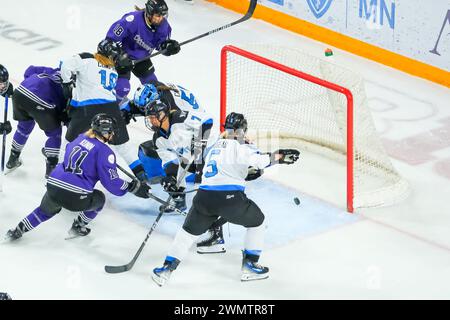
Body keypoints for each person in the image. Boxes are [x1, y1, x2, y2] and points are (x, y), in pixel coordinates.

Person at [151, 112, 300, 286]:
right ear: (242, 130)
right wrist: (280, 156)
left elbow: (226, 168)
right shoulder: (242, 145)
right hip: (229, 199)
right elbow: (260, 161)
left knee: (186, 234)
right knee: (257, 222)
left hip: (203, 198)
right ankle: (250, 266)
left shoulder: (214, 146)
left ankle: (166, 270)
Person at [4, 114, 151, 241]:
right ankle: (78, 226)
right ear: (105, 132)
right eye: (111, 131)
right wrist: (133, 187)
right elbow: (112, 184)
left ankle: (17, 231)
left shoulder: (78, 139)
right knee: (99, 199)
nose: (112, 134)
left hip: (54, 184)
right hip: (74, 195)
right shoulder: (105, 152)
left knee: (43, 211)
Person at [60, 39, 147, 181]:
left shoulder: (87, 58)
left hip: (86, 109)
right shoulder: (113, 71)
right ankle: (142, 175)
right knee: (124, 147)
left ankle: (58, 173)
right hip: (111, 108)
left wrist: (67, 83)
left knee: (69, 144)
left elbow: (66, 65)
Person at [121, 81, 212, 182]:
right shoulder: (157, 90)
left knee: (152, 149)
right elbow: (139, 102)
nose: (145, 111)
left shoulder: (173, 109)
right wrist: (126, 110)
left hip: (197, 131)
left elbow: (203, 124)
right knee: (156, 146)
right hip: (194, 124)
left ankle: (179, 173)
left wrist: (197, 156)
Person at [142, 100, 213, 212]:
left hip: (210, 150)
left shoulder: (180, 118)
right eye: (149, 118)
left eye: (153, 117)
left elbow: (207, 119)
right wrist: (171, 178)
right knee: (171, 181)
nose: (151, 121)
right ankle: (178, 201)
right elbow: (169, 161)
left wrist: (199, 143)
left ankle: (210, 210)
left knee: (202, 184)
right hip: (189, 157)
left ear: (162, 115)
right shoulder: (158, 139)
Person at [104, 0, 180, 102]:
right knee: (122, 88)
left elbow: (161, 46)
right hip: (123, 56)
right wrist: (117, 56)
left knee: (154, 90)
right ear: (149, 13)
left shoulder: (164, 26)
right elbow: (109, 41)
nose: (161, 19)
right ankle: (113, 107)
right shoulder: (132, 20)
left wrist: (168, 47)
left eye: (163, 15)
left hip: (142, 58)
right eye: (158, 15)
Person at [4, 65, 69, 178]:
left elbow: (29, 70)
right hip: (43, 100)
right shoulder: (74, 85)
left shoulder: (52, 70)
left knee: (23, 128)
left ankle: (13, 159)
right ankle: (51, 170)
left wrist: (30, 85)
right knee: (55, 134)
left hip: (20, 93)